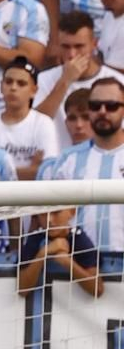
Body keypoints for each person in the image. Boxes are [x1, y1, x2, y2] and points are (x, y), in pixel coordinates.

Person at [38, 75, 124, 253]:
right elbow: (50, 218)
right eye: (95, 106)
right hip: (80, 266)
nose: (102, 111)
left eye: (111, 106)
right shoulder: (66, 160)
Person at [34, 12, 124, 146]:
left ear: (94, 44)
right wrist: (65, 81)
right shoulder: (45, 79)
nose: (72, 54)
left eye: (79, 46)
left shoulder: (117, 81)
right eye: (65, 46)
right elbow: (35, 126)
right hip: (58, 159)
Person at [0, 56, 61, 180]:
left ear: (34, 90)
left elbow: (46, 173)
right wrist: (29, 171)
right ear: (1, 86)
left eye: (21, 83)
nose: (13, 88)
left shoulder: (43, 124)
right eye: (8, 82)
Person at [17, 206, 104, 296]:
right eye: (43, 214)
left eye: (56, 212)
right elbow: (22, 290)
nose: (49, 220)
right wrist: (42, 254)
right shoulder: (35, 239)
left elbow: (97, 289)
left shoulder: (78, 239)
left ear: (72, 212)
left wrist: (67, 262)